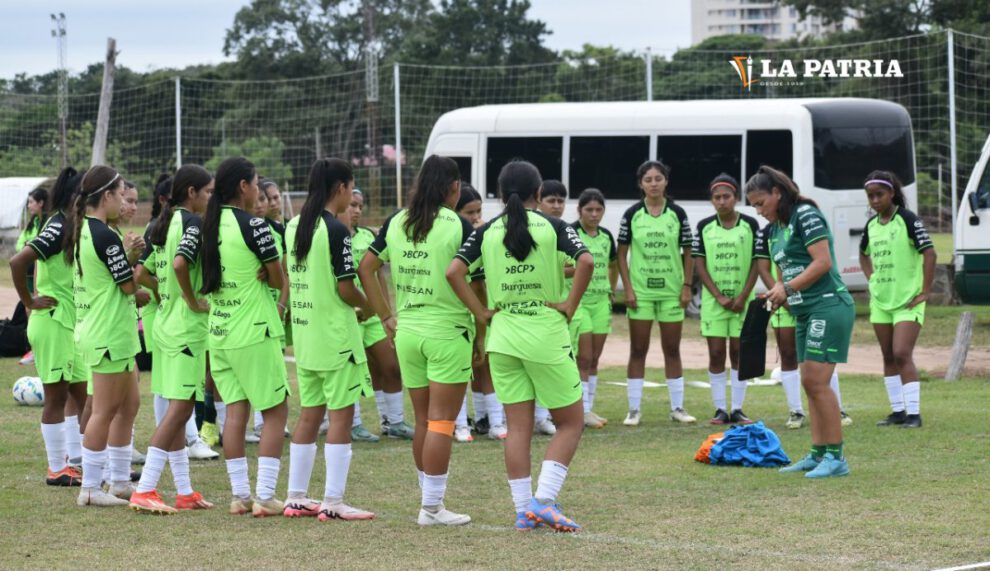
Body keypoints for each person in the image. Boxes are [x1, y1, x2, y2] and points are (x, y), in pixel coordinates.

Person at [446, 160, 593, 532]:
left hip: (503, 335)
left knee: (518, 427)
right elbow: (587, 261)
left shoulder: (486, 231)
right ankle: (543, 501)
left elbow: (454, 272)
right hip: (544, 334)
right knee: (571, 422)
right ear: (539, 193)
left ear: (497, 193)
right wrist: (569, 305)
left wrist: (481, 313)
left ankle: (522, 511)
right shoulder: (553, 225)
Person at [358, 155, 477, 526]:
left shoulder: (397, 221)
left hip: (407, 332)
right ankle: (432, 508)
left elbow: (366, 267)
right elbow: (476, 279)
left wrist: (387, 316)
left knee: (425, 419)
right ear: (454, 187)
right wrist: (484, 329)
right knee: (443, 422)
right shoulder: (457, 224)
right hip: (447, 331)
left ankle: (429, 501)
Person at [283, 158, 375, 521]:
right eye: (351, 188)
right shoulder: (335, 230)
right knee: (340, 417)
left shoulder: (293, 226)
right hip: (336, 338)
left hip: (306, 338)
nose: (352, 195)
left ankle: (295, 497)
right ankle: (333, 503)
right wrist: (367, 307)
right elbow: (345, 287)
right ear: (340, 188)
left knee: (309, 415)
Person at [746, 165, 853, 479]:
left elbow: (823, 262)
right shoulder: (776, 229)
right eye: (753, 205)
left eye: (761, 203)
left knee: (817, 382)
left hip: (828, 305)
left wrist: (788, 287)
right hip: (804, 310)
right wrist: (778, 294)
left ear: (777, 194)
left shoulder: (805, 214)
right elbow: (786, 270)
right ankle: (818, 453)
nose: (758, 210)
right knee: (809, 383)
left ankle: (836, 458)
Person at [200, 157, 289, 516]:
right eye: (255, 184)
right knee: (276, 411)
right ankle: (265, 497)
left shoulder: (205, 225)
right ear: (243, 187)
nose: (259, 191)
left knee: (235, 412)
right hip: (253, 330)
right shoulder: (255, 226)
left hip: (219, 333)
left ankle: (240, 496)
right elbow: (277, 277)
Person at [129, 165, 217, 514]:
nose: (211, 198)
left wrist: (165, 294)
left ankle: (184, 491)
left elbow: (142, 273)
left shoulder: (161, 225)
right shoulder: (192, 224)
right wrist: (192, 300)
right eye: (208, 192)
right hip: (184, 329)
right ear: (192, 192)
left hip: (164, 326)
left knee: (178, 411)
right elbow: (181, 265)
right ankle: (146, 488)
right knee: (181, 409)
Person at [66, 166, 143, 506]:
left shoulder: (88, 230)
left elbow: (113, 282)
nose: (125, 201)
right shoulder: (103, 234)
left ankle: (120, 481)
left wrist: (125, 257)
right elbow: (128, 285)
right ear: (107, 197)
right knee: (104, 410)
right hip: (107, 333)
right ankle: (91, 488)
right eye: (121, 194)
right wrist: (135, 257)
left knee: (129, 405)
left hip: (111, 332)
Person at [8, 168, 87, 486]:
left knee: (84, 395)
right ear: (77, 195)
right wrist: (29, 300)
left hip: (71, 324)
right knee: (56, 397)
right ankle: (57, 467)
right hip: (53, 322)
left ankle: (89, 461)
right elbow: (18, 261)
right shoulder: (59, 224)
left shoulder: (75, 224)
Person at [617, 160, 695, 425]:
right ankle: (634, 409)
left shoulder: (677, 213)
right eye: (648, 179)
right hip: (641, 293)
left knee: (672, 349)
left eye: (658, 179)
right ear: (641, 183)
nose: (653, 184)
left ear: (666, 181)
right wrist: (627, 288)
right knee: (638, 349)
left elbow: (688, 252)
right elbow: (621, 253)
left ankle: (677, 408)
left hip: (672, 293)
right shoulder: (631, 214)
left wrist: (687, 286)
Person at [860, 170, 935, 429]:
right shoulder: (871, 226)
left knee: (901, 353)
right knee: (887, 355)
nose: (875, 200)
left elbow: (930, 254)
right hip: (881, 301)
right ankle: (897, 412)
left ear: (892, 193)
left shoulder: (907, 219)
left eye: (879, 194)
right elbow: (863, 255)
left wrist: (925, 291)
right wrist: (872, 279)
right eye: (870, 196)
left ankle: (914, 414)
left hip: (908, 301)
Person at [345, 188, 414, 441]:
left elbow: (377, 275)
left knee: (391, 366)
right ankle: (352, 425)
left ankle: (393, 422)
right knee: (349, 371)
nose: (357, 210)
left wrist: (384, 310)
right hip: (347, 314)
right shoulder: (331, 234)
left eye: (360, 206)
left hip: (371, 314)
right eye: (352, 205)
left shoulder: (367, 236)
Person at [692, 174, 760, 425]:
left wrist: (743, 295)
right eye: (717, 197)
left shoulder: (750, 225)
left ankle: (738, 408)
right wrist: (718, 295)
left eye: (726, 197)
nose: (722, 201)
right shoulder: (704, 227)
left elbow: (757, 263)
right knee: (717, 352)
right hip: (714, 303)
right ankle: (720, 409)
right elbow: (699, 263)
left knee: (739, 352)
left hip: (743, 302)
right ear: (711, 200)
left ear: (737, 198)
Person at [454, 183, 506, 441]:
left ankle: (493, 420)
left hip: (484, 310)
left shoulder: (487, 236)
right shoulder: (453, 240)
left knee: (485, 364)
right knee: (460, 367)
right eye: (469, 213)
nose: (476, 218)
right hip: (457, 313)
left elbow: (483, 282)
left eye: (478, 211)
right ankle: (461, 423)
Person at [570, 189, 617, 429]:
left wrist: (610, 287)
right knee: (583, 357)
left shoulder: (607, 236)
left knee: (594, 359)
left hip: (600, 302)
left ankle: (589, 407)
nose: (594, 214)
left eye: (599, 210)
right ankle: (582, 411)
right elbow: (564, 266)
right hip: (579, 303)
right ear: (579, 210)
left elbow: (613, 264)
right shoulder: (570, 233)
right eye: (589, 209)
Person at [530, 180, 572, 436]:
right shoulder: (528, 229)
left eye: (560, 201)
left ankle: (543, 416)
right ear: (538, 201)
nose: (556, 206)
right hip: (530, 311)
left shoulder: (561, 231)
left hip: (557, 308)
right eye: (551, 201)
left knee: (550, 367)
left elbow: (580, 265)